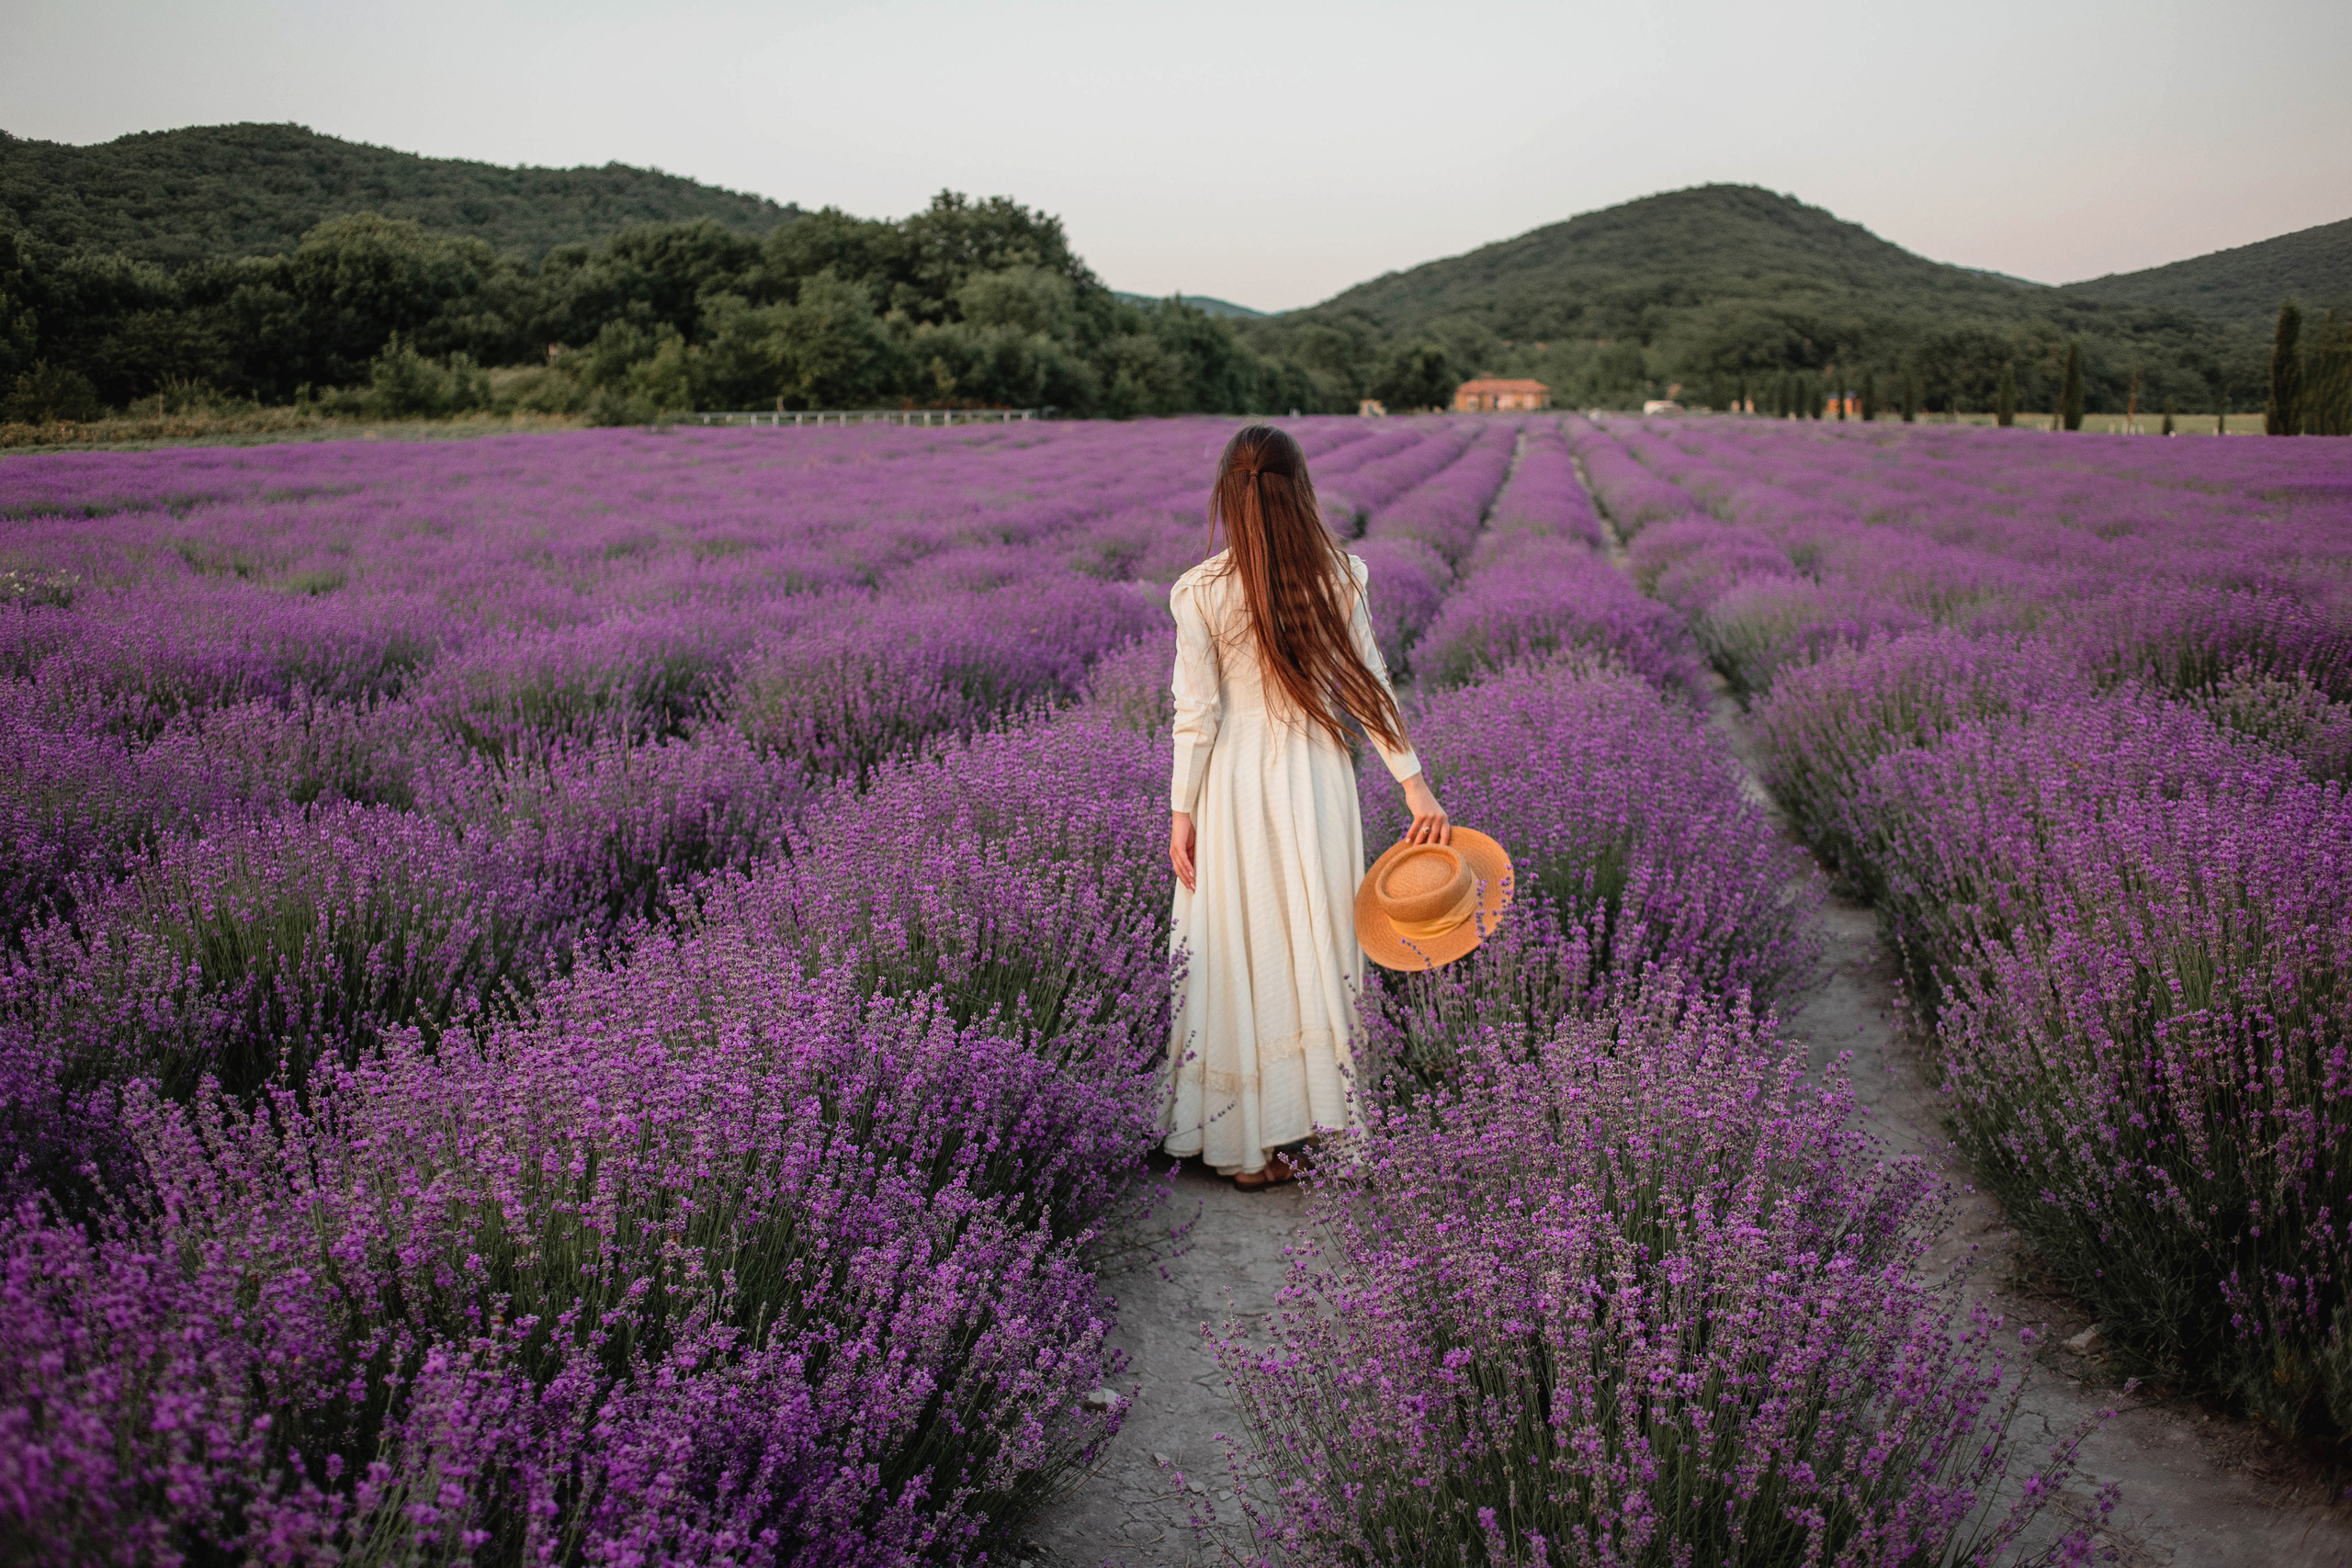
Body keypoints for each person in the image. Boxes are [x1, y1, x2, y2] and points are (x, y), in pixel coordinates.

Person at [1159, 423, 1451, 1189]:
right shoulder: (1341, 576)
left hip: (1233, 784)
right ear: (1302, 490)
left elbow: (1198, 715)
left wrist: (1180, 811)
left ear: (1228, 494)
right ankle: (1316, 1123)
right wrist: (1414, 784)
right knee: (1314, 936)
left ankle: (1246, 1147)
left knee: (1239, 939)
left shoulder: (1202, 590)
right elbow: (1370, 686)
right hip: (1318, 777)